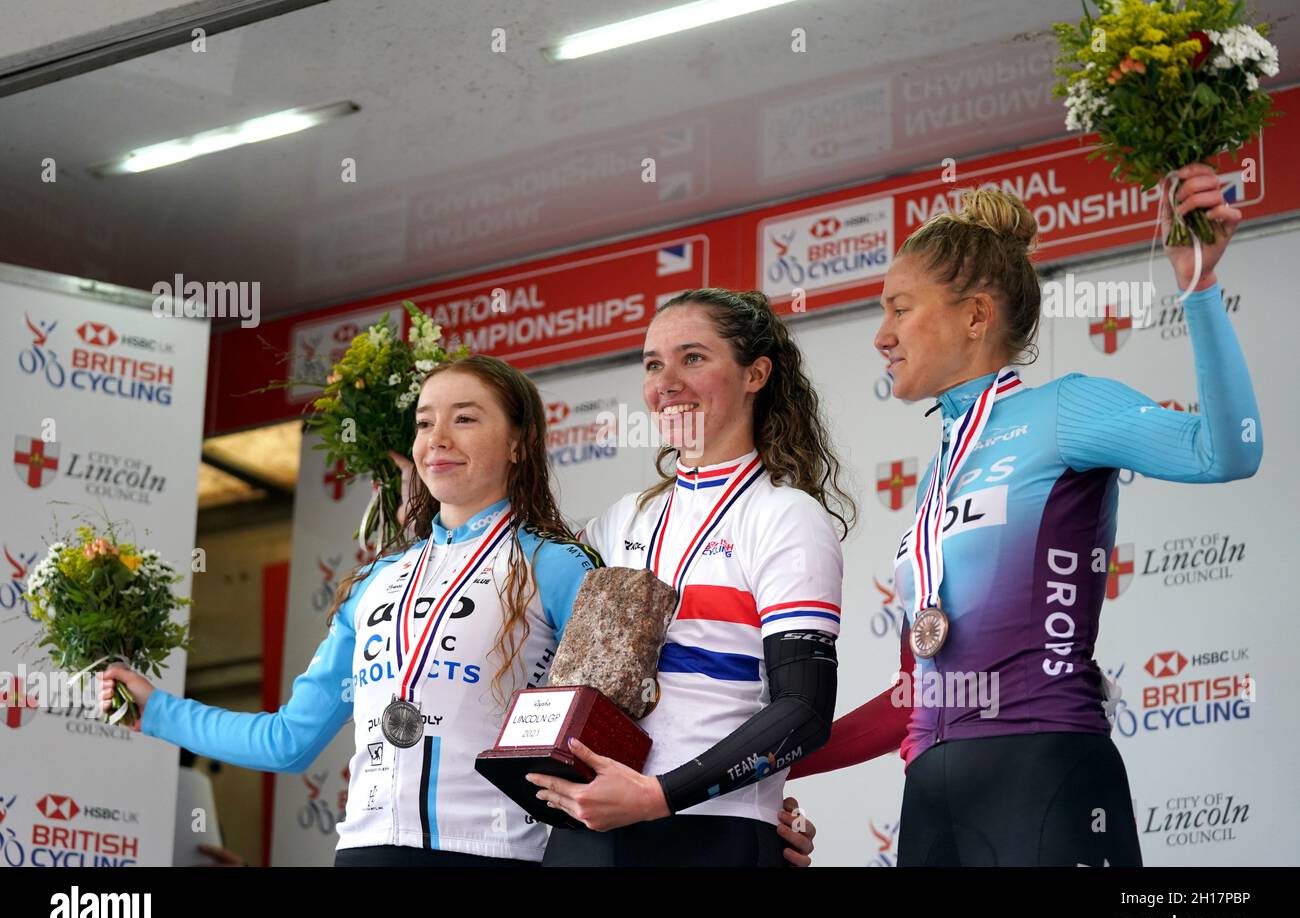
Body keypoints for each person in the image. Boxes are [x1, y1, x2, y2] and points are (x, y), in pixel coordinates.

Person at [103, 354, 819, 866]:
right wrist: (155, 711)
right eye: (425, 422)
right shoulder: (376, 582)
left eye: (465, 419)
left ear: (518, 443)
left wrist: (749, 811)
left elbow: (646, 714)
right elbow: (290, 741)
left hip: (496, 851)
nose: (436, 438)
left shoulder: (558, 565)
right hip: (362, 853)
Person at [788, 169, 1262, 866]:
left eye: (899, 309)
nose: (882, 336)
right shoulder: (940, 469)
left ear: (976, 316)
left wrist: (1198, 286)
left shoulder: (1065, 411)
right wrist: (756, 772)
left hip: (1045, 774)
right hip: (932, 796)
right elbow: (912, 697)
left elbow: (1227, 451)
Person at [530, 288, 856, 866]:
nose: (667, 382)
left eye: (693, 358)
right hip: (587, 824)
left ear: (756, 374)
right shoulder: (617, 522)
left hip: (707, 831)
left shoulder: (785, 516)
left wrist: (658, 796)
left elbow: (803, 711)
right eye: (654, 363)